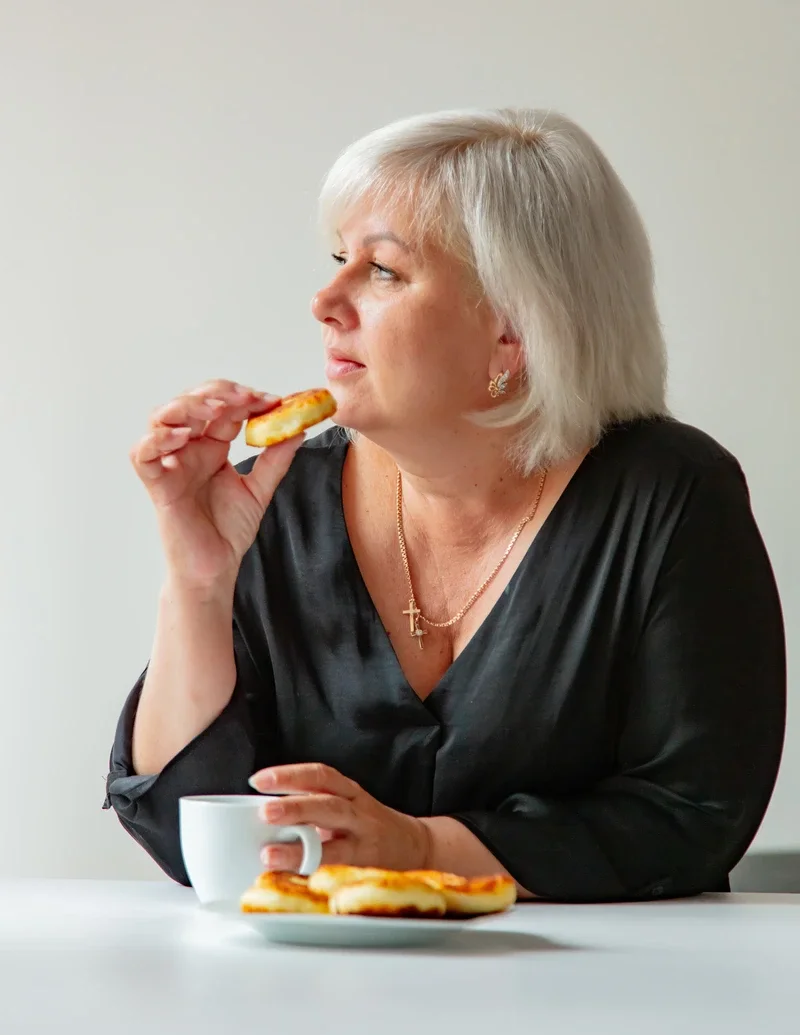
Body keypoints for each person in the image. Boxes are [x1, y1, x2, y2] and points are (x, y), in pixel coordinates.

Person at [105, 108, 785, 902]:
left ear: (512, 331)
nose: (325, 299)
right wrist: (198, 579)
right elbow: (187, 830)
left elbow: (692, 815)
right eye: (337, 258)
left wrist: (419, 846)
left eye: (383, 270)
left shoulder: (671, 496)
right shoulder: (279, 497)